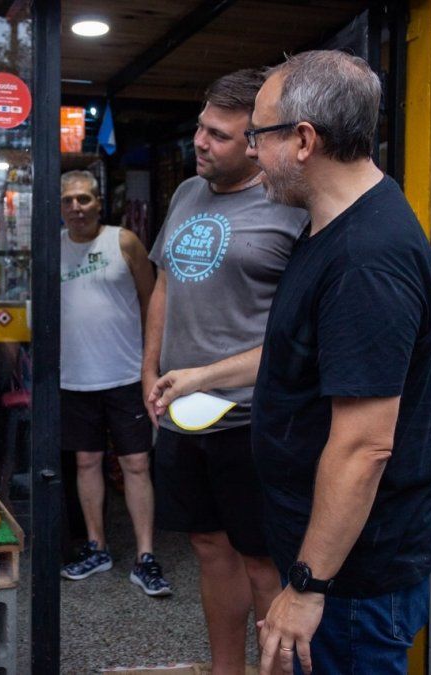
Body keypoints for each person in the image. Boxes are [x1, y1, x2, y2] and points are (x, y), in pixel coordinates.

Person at [243, 51, 431, 675]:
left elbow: (364, 446)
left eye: (258, 133)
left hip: (347, 584)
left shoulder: (366, 258)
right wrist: (205, 375)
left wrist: (307, 586)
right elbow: (311, 355)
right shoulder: (329, 227)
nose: (252, 151)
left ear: (304, 140)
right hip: (326, 564)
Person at [143, 70, 309, 672]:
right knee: (209, 545)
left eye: (218, 134)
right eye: (200, 127)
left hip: (252, 416)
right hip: (182, 410)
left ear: (255, 141)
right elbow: (165, 285)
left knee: (263, 560)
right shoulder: (188, 193)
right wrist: (148, 370)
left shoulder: (292, 207)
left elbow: (301, 333)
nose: (200, 141)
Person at [58, 170, 171, 596]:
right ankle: (97, 547)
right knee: (86, 462)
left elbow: (151, 301)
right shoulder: (52, 247)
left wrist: (150, 366)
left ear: (99, 202)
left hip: (125, 375)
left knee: (136, 464)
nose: (76, 207)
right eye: (68, 200)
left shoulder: (124, 242)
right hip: (74, 378)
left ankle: (145, 557)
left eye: (84, 199)